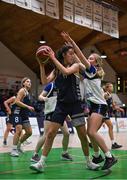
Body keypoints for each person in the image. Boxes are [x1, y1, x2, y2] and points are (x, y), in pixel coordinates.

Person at [30, 41, 100, 172]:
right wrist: (41, 65)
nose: (73, 56)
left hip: (75, 105)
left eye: (74, 53)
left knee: (82, 135)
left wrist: (53, 58)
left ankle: (88, 161)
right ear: (64, 55)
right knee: (50, 133)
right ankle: (41, 162)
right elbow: (45, 81)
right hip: (61, 106)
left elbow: (67, 72)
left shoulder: (76, 65)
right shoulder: (57, 69)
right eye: (70, 53)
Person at [61, 32, 117, 170]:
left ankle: (110, 157)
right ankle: (97, 156)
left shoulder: (93, 70)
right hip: (92, 106)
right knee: (89, 133)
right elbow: (76, 59)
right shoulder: (87, 72)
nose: (88, 59)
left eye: (91, 58)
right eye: (89, 58)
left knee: (91, 132)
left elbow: (79, 56)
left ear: (96, 63)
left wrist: (71, 41)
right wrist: (68, 51)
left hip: (99, 105)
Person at [31, 81, 73, 162]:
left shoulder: (64, 87)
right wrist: (43, 98)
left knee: (67, 133)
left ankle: (64, 153)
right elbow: (40, 96)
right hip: (50, 112)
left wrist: (66, 114)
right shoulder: (51, 85)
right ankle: (34, 154)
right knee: (46, 135)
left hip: (60, 113)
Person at [10, 77, 34, 157]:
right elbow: (17, 101)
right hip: (17, 113)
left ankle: (19, 145)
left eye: (30, 82)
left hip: (24, 114)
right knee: (19, 130)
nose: (29, 83)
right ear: (23, 83)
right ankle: (13, 150)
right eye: (27, 81)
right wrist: (28, 107)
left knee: (29, 132)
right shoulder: (22, 90)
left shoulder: (28, 92)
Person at [103, 83, 123, 149]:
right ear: (107, 88)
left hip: (105, 113)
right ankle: (113, 144)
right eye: (111, 86)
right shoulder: (105, 94)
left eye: (112, 86)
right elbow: (102, 102)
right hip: (103, 113)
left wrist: (119, 108)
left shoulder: (110, 95)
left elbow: (113, 106)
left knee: (94, 129)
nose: (112, 88)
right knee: (110, 126)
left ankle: (91, 142)